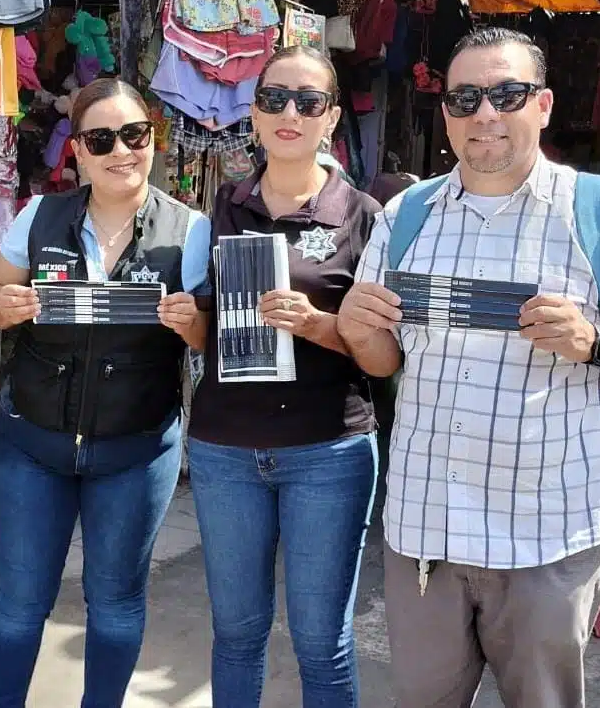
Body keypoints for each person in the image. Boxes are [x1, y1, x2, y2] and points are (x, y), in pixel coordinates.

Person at [337, 27, 600, 708]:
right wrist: (359, 334)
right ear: (444, 110)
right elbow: (387, 360)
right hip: (427, 534)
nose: (485, 112)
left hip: (548, 538)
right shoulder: (403, 217)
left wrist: (595, 340)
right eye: (465, 96)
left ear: (542, 104)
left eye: (506, 93)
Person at [0, 77, 211, 708]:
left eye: (133, 135)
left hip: (135, 450)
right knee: (20, 604)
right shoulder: (39, 215)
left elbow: (213, 341)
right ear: (76, 149)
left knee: (114, 605)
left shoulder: (189, 231)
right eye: (100, 138)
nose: (120, 152)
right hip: (32, 442)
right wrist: (8, 304)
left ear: (152, 139)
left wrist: (193, 325)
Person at [186, 46, 381, 708]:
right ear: (255, 112)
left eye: (308, 100)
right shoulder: (224, 207)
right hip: (225, 449)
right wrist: (185, 317)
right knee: (236, 632)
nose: (289, 112)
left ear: (330, 118)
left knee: (321, 639)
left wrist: (319, 323)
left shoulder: (363, 216)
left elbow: (386, 351)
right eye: (274, 98)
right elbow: (206, 328)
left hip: (327, 448)